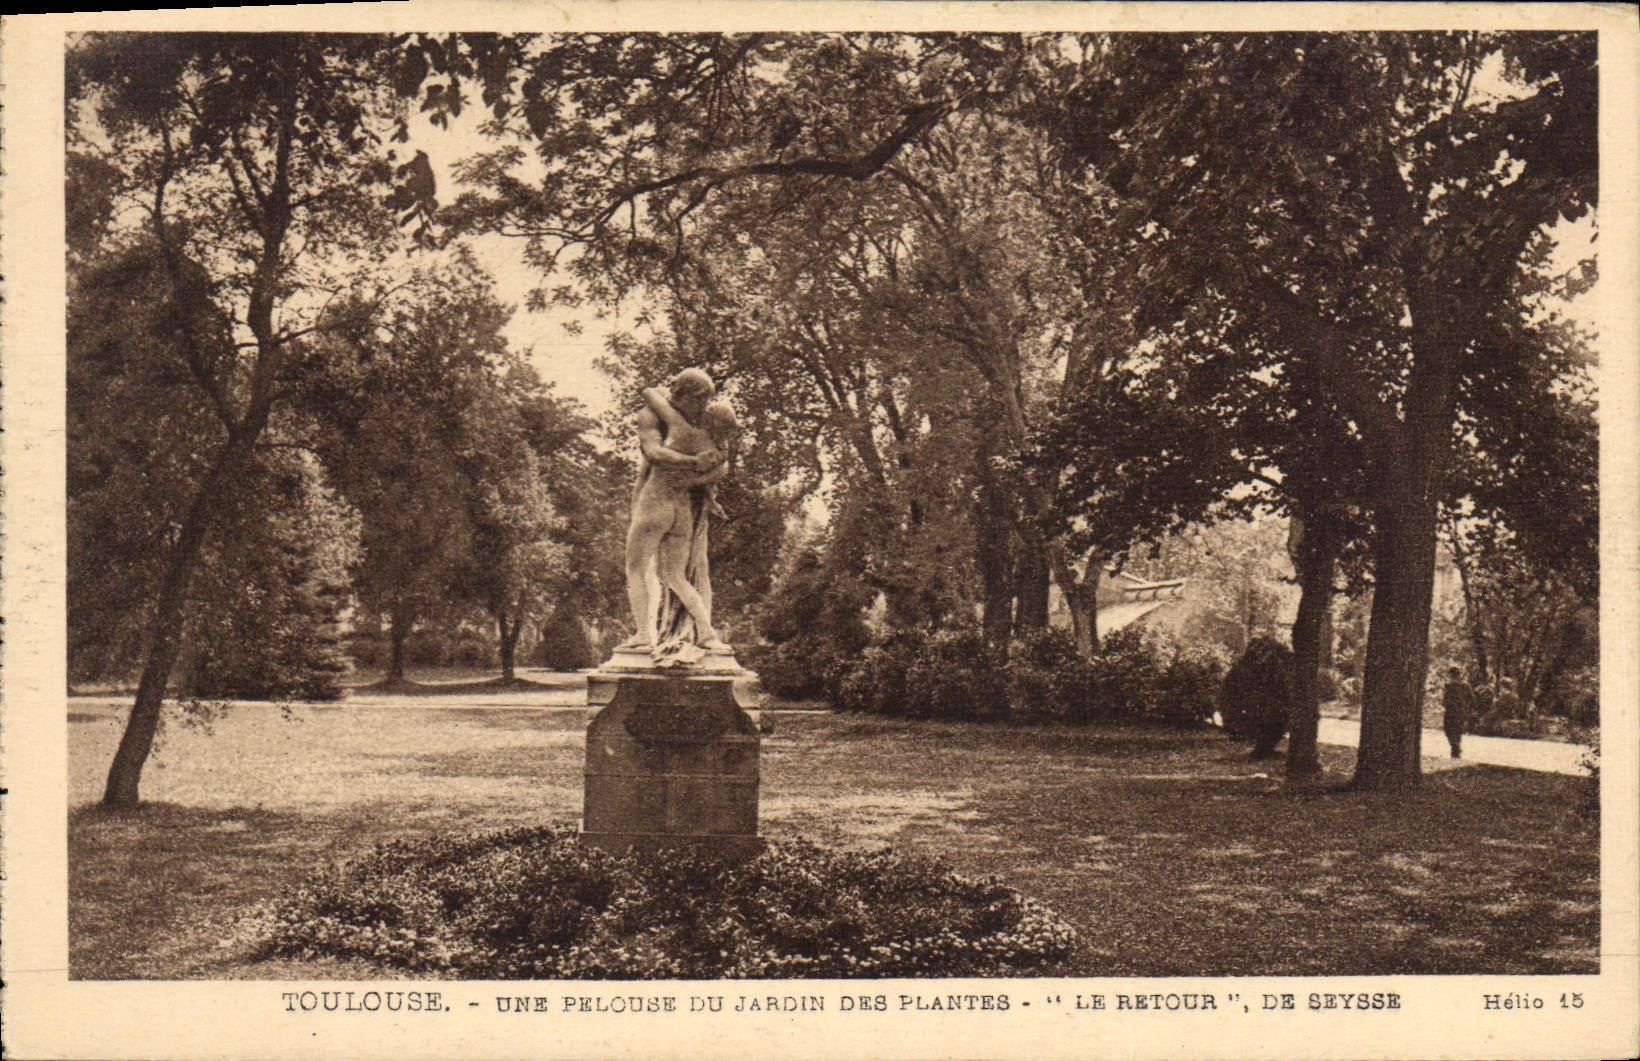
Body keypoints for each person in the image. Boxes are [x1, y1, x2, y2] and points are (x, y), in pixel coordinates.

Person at [621, 368, 734, 663]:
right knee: (677, 576)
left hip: (655, 504)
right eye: (698, 401)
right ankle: (707, 633)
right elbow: (720, 468)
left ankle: (645, 635)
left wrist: (689, 465)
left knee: (635, 567)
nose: (702, 408)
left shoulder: (680, 427)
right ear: (682, 394)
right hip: (682, 508)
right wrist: (697, 469)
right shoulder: (710, 440)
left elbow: (654, 451)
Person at [1442, 667, 1474, 759]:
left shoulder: (1448, 686)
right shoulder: (1466, 686)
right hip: (1461, 712)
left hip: (1450, 712)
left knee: (1449, 731)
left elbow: (1445, 700)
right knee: (1458, 731)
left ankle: (1455, 748)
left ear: (1451, 675)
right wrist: (1468, 710)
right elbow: (1472, 700)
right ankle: (1456, 748)